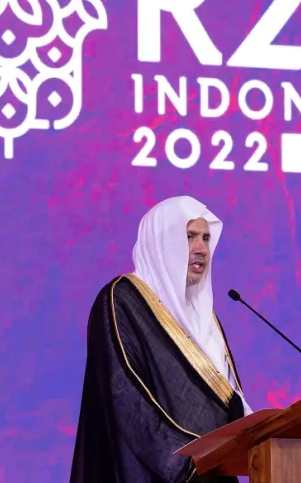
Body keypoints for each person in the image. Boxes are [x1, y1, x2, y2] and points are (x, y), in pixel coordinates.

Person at [70, 196, 251, 483]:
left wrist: (261, 435)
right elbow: (125, 395)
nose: (202, 249)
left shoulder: (204, 316)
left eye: (206, 238)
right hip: (155, 474)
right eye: (190, 237)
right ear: (162, 241)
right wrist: (183, 460)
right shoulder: (123, 299)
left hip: (214, 471)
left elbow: (229, 399)